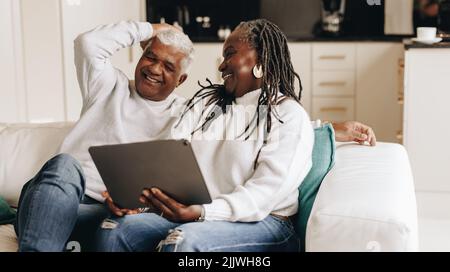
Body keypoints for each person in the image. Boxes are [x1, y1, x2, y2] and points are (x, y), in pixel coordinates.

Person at [96, 19, 375, 253]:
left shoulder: (288, 115)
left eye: (230, 54)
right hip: (195, 215)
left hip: (264, 222)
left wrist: (202, 212)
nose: (221, 66)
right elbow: (167, 158)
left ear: (260, 60)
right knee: (114, 230)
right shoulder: (205, 106)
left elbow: (264, 195)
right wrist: (140, 199)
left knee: (184, 245)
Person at [14, 21, 194, 252]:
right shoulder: (108, 85)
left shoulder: (186, 114)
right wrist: (152, 29)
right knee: (65, 164)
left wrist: (136, 207)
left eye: (168, 67)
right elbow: (87, 43)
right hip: (49, 201)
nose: (155, 69)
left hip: (104, 215)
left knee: (117, 224)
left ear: (181, 80)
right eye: (150, 57)